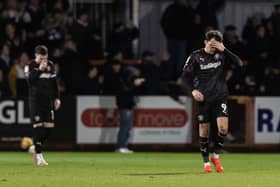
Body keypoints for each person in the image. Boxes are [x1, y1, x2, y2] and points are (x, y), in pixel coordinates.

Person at [180, 30, 242, 173]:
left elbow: (239, 63)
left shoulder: (222, 55)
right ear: (205, 42)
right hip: (204, 99)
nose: (213, 46)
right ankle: (206, 163)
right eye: (211, 43)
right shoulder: (195, 56)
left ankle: (216, 156)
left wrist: (225, 49)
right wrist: (193, 91)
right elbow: (184, 78)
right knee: (204, 130)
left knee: (223, 129)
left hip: (220, 96)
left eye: (216, 44)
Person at [24, 45, 61, 166]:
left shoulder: (50, 65)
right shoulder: (30, 66)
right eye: (41, 58)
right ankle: (39, 157)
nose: (43, 61)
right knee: (38, 128)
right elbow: (30, 81)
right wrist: (39, 69)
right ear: (36, 56)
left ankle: (35, 146)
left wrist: (57, 98)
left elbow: (54, 83)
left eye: (45, 58)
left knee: (49, 130)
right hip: (35, 102)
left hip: (48, 101)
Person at [115, 66, 144, 153]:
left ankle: (124, 146)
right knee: (124, 127)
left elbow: (131, 93)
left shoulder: (128, 83)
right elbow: (125, 92)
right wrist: (134, 84)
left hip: (129, 107)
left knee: (128, 127)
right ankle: (120, 146)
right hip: (125, 107)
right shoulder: (123, 82)